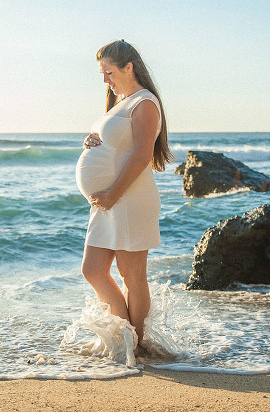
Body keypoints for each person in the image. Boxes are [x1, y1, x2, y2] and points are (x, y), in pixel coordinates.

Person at [75, 39, 173, 356]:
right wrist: (94, 141)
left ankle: (137, 346)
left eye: (109, 72)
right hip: (108, 201)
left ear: (128, 67)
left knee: (132, 276)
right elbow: (118, 144)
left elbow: (143, 154)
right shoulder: (121, 101)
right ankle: (123, 339)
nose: (105, 79)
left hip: (128, 198)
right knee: (93, 269)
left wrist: (112, 193)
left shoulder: (144, 102)